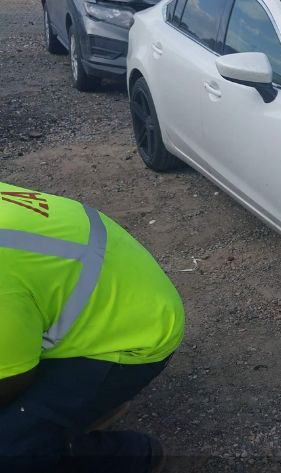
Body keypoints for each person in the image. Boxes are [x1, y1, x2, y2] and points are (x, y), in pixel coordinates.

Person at [0, 182, 184, 472]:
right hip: (110, 288)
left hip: (136, 337)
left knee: (9, 447)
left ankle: (133, 455)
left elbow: (13, 379)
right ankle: (81, 409)